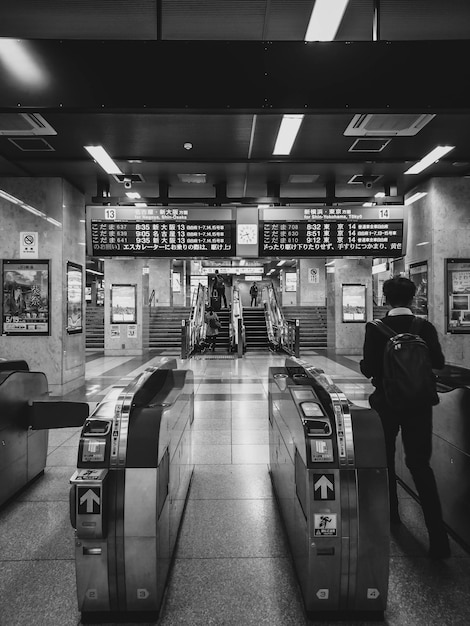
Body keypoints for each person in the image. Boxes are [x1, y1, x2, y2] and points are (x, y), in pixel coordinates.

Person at [360, 276, 450, 559]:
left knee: (385, 461)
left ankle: (392, 516)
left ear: (385, 298)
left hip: (386, 403)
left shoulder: (375, 329)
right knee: (420, 465)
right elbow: (438, 363)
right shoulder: (424, 327)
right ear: (413, 299)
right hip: (419, 406)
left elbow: (368, 367)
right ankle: (438, 537)